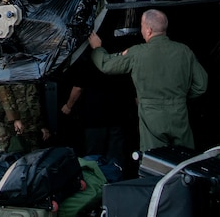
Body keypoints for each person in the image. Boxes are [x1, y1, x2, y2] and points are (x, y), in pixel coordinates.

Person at [87, 9, 208, 152]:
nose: (141, 30)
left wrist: (97, 48)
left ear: (149, 30)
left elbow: (106, 65)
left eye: (142, 26)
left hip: (151, 117)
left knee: (155, 163)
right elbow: (201, 85)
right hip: (179, 114)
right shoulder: (184, 51)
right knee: (184, 160)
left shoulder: (137, 52)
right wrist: (178, 98)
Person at [0, 77, 52, 153]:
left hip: (9, 121)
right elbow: (32, 102)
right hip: (27, 121)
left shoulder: (2, 75)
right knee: (33, 153)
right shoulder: (27, 76)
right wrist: (41, 125)